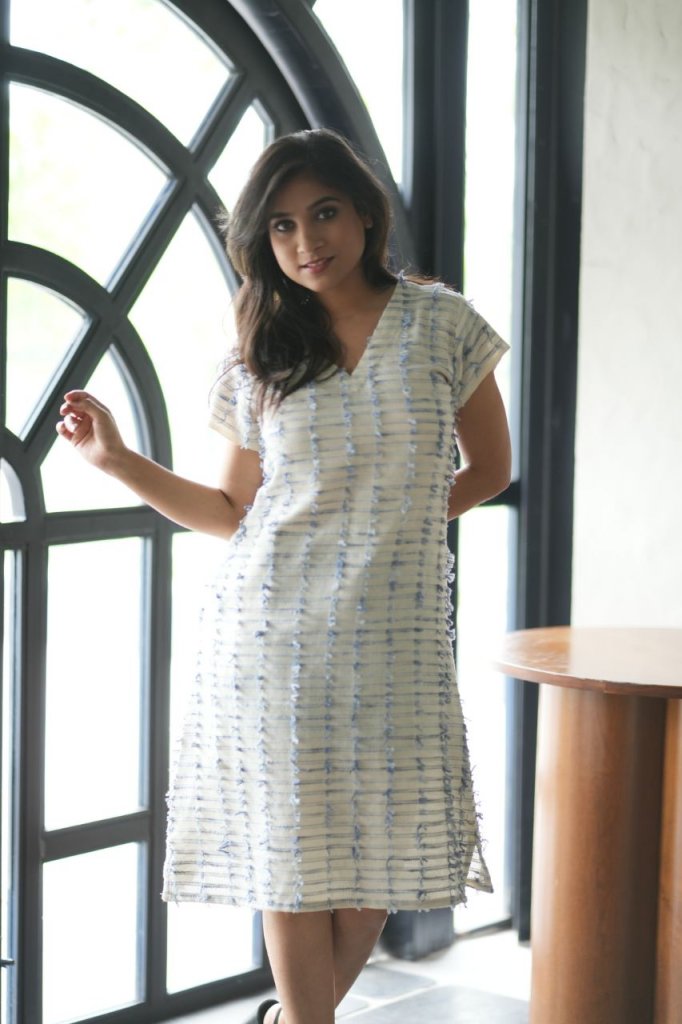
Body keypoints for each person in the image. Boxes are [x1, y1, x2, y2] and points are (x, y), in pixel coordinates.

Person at [57, 128, 511, 1024]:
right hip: (274, 635)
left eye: (325, 213)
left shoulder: (443, 324)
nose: (308, 241)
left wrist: (391, 527)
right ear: (261, 242)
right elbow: (233, 509)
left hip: (400, 641)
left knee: (383, 863)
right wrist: (117, 462)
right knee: (295, 858)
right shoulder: (259, 351)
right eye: (282, 226)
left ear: (367, 212)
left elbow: (490, 469)